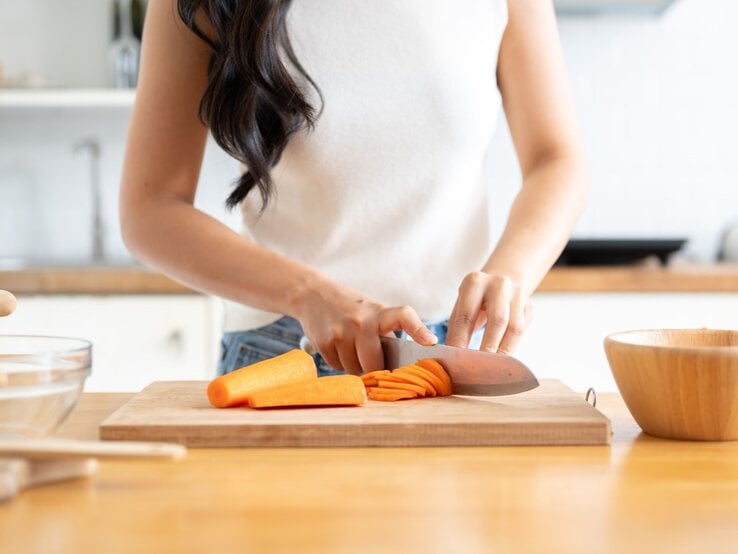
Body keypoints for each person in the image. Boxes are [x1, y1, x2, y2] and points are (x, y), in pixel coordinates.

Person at [120, 0, 587, 377]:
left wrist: (511, 273)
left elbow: (556, 159)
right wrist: (308, 294)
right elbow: (150, 208)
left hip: (453, 353)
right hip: (283, 354)